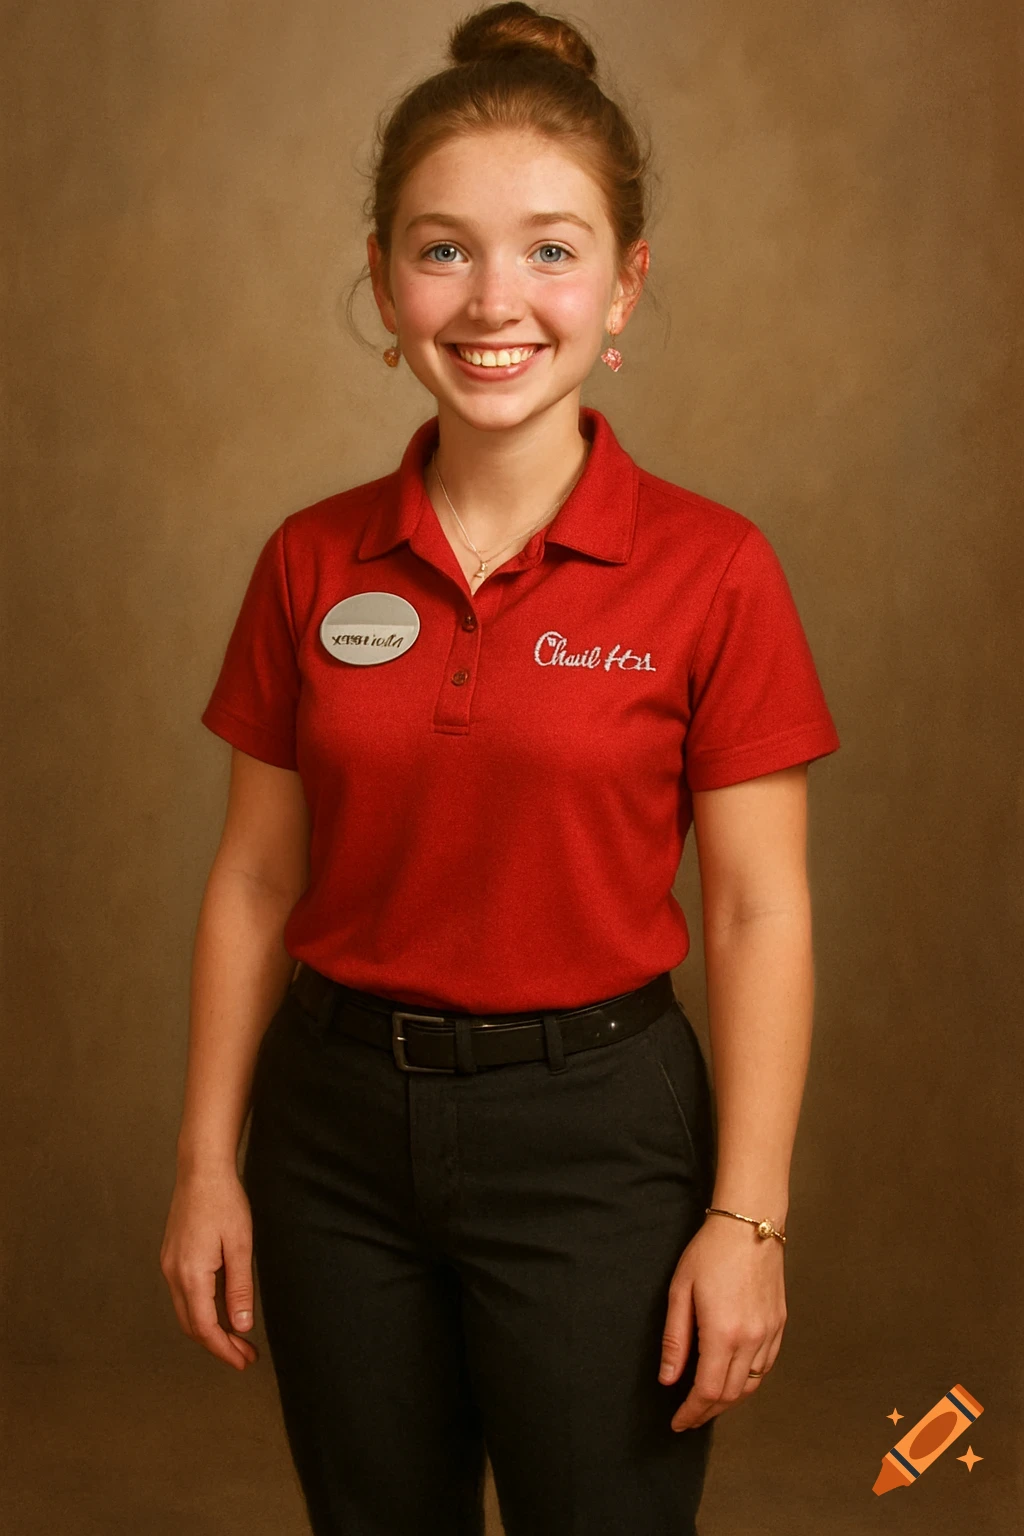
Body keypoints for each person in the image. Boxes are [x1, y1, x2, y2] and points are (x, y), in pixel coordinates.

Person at [159, 4, 841, 1533]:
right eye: (442, 247)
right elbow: (258, 876)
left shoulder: (716, 571)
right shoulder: (308, 560)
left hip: (597, 1137)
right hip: (330, 1143)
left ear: (624, 288)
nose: (493, 302)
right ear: (386, 276)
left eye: (551, 249)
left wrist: (751, 1218)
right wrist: (211, 1165)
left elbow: (757, 916)